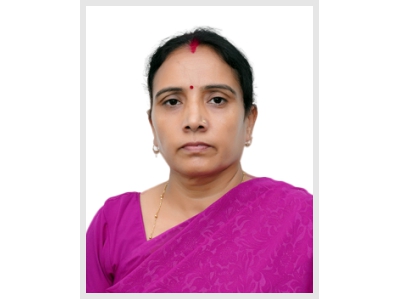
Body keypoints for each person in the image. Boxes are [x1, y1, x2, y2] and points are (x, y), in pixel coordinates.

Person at [86, 28, 313, 293]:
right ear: (152, 126)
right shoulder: (112, 226)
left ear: (249, 121)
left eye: (217, 99)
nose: (194, 120)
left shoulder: (302, 219)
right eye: (172, 102)